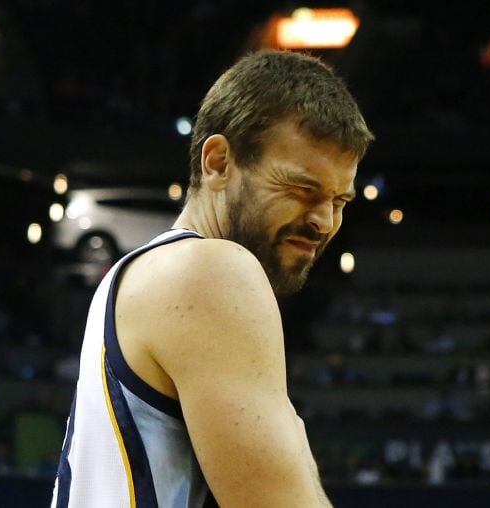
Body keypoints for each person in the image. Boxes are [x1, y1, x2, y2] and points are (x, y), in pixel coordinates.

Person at [51, 50, 373, 508]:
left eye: (340, 201)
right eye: (303, 189)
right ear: (219, 162)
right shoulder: (210, 273)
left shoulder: (138, 274)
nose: (323, 221)